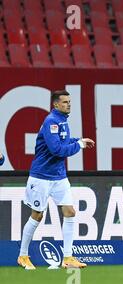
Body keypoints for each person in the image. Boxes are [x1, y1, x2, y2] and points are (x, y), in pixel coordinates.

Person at [18, 90, 95, 270]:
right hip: (41, 177)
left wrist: (79, 140)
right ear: (55, 104)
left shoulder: (62, 121)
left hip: (59, 177)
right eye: (65, 102)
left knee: (70, 211)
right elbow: (57, 150)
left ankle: (67, 257)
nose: (69, 104)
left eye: (70, 101)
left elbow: (65, 140)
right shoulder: (51, 121)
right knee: (37, 215)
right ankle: (23, 256)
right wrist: (80, 145)